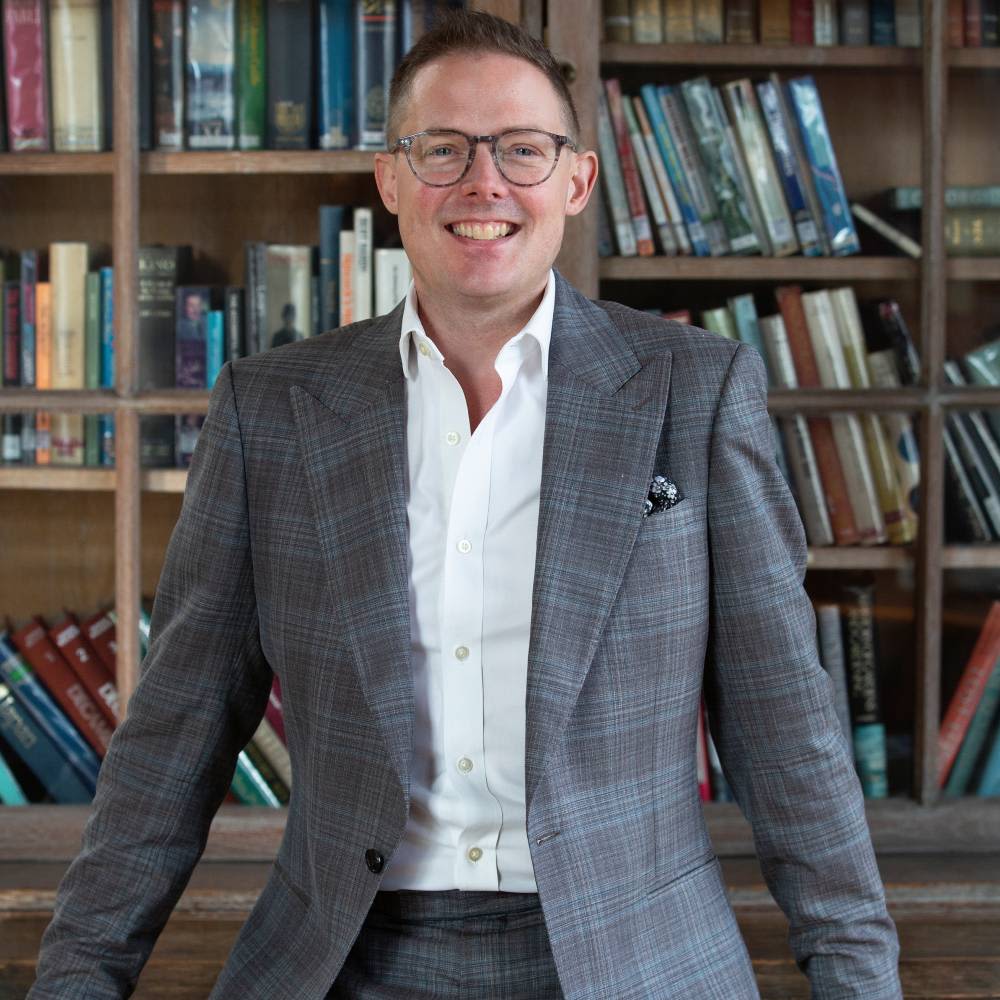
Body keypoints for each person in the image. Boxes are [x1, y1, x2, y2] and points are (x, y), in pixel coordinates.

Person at [30, 11, 903, 1000]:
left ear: (573, 180)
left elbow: (787, 732)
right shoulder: (270, 411)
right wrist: (78, 980)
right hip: (347, 962)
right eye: (443, 149)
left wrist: (858, 983)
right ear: (391, 178)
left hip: (637, 961)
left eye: (522, 150)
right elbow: (174, 736)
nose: (484, 183)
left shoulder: (693, 392)